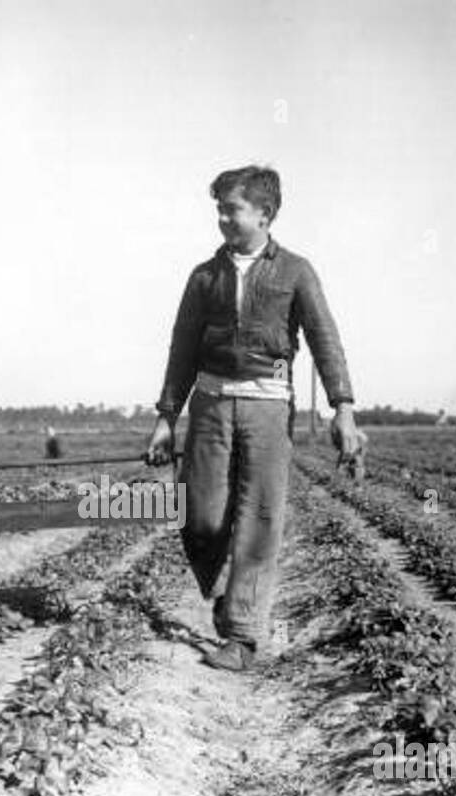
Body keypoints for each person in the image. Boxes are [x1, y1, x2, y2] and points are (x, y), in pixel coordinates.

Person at [145, 165, 364, 672]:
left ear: (265, 214)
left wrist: (343, 408)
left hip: (268, 405)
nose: (222, 219)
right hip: (210, 403)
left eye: (232, 209)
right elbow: (181, 349)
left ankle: (241, 636)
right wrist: (165, 417)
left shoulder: (296, 271)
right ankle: (223, 591)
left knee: (260, 516)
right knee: (199, 513)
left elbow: (325, 340)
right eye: (218, 209)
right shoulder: (204, 276)